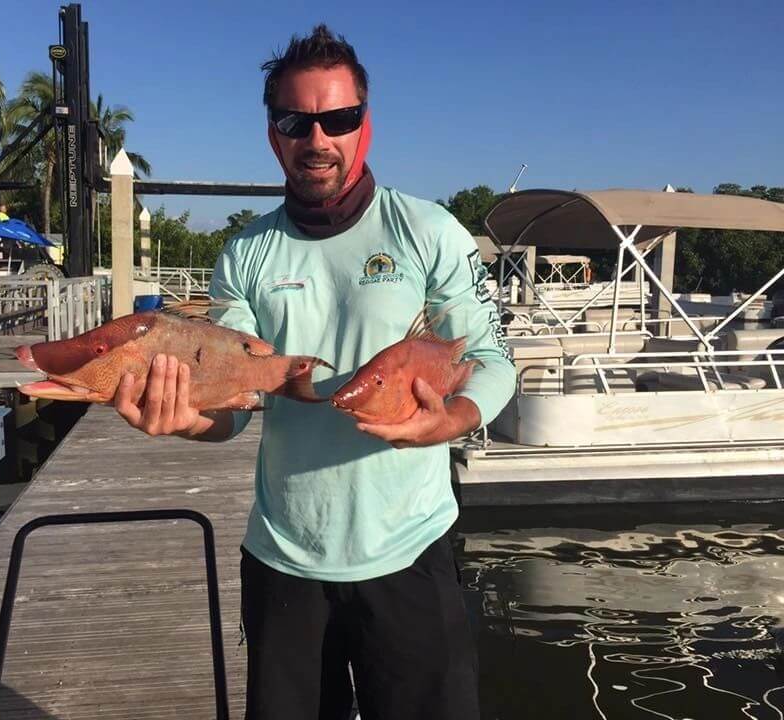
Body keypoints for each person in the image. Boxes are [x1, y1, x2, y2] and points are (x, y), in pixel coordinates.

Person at [115, 25, 516, 720]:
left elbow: (491, 356)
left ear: (365, 125)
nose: (318, 138)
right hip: (285, 561)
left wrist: (451, 420)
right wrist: (187, 420)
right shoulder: (245, 254)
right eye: (296, 121)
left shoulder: (429, 231)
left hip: (411, 552)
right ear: (273, 133)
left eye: (339, 118)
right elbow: (234, 403)